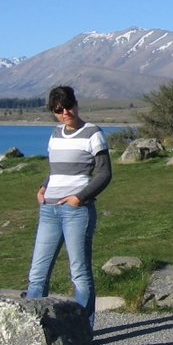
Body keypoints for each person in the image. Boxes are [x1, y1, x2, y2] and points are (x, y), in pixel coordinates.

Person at [25, 85, 112, 327]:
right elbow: (56, 169)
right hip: (49, 210)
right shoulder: (55, 134)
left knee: (80, 274)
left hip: (76, 212)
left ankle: (83, 332)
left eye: (69, 106)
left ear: (76, 104)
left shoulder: (93, 133)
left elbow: (104, 173)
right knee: (37, 274)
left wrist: (80, 198)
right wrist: (43, 187)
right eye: (59, 109)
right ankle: (30, 330)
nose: (66, 112)